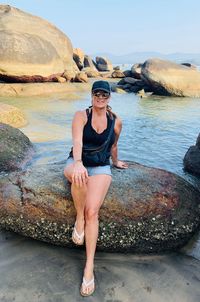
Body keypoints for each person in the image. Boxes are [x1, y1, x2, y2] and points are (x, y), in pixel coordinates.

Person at [64, 80, 128, 297]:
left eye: (104, 94)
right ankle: (78, 221)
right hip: (78, 162)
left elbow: (114, 145)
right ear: (91, 95)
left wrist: (116, 162)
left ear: (109, 97)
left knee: (93, 212)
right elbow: (77, 142)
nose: (100, 97)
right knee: (77, 176)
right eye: (96, 94)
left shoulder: (116, 121)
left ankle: (88, 268)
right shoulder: (81, 115)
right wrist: (79, 163)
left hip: (101, 166)